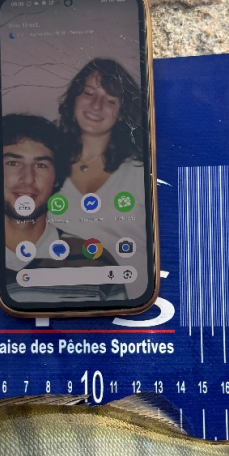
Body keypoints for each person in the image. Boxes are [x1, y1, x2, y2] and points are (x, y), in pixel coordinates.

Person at [1, 114, 126, 304]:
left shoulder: (95, 261)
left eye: (41, 165)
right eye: (13, 163)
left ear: (56, 178)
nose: (28, 178)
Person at [57, 60, 148, 299]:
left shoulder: (141, 170)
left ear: (122, 113)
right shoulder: (45, 166)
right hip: (65, 298)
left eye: (110, 101)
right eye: (88, 93)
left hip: (134, 300)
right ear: (73, 99)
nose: (96, 106)